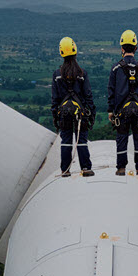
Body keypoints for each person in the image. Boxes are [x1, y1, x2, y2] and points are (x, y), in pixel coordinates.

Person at [108, 30, 138, 176]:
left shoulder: (116, 68)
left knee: (122, 138)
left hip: (122, 110)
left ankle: (121, 168)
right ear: (135, 48)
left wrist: (110, 110)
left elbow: (111, 91)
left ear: (122, 48)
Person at [50, 37, 95, 177]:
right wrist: (91, 114)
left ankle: (65, 169)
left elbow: (55, 98)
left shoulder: (57, 75)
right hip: (79, 113)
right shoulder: (82, 74)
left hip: (64, 113)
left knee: (66, 141)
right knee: (81, 140)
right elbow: (88, 96)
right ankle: (86, 167)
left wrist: (55, 116)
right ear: (75, 50)